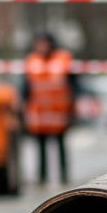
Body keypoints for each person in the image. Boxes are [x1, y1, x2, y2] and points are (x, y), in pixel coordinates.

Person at [22, 33, 75, 184]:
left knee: (60, 146)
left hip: (59, 113)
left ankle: (64, 176)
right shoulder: (32, 61)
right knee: (40, 148)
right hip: (39, 114)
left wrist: (73, 108)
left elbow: (72, 84)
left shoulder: (63, 59)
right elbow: (27, 87)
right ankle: (42, 177)